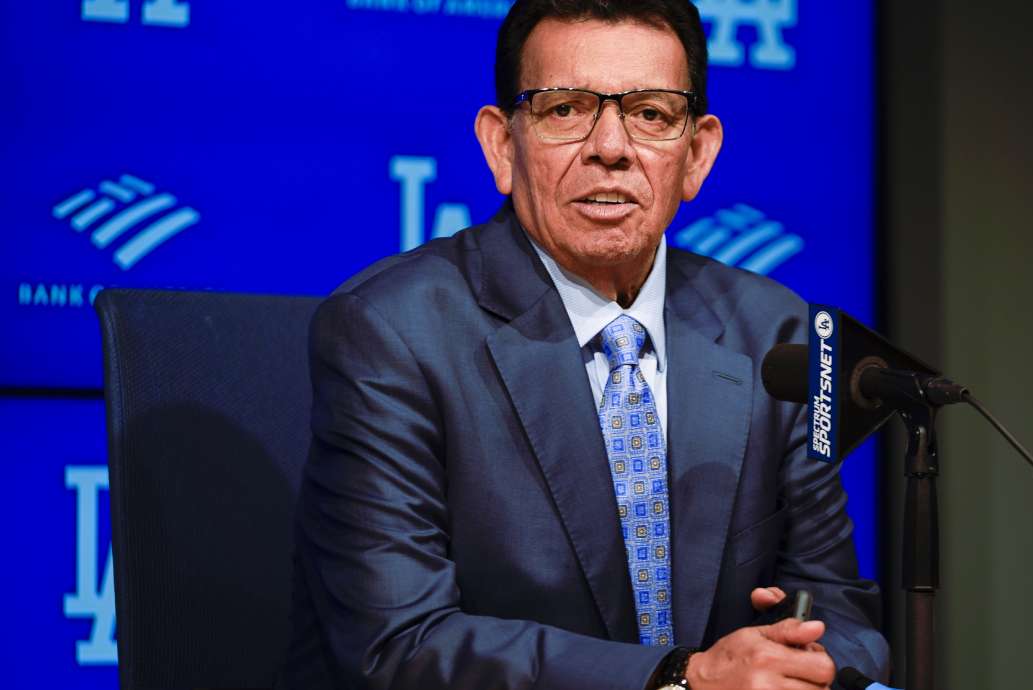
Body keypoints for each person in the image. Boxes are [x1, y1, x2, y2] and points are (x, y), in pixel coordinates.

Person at [279, 1, 889, 688]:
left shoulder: (769, 331)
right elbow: (400, 645)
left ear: (697, 154)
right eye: (566, 109)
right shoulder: (392, 331)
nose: (610, 146)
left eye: (652, 114)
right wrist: (683, 678)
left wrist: (800, 657)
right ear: (502, 146)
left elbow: (840, 609)